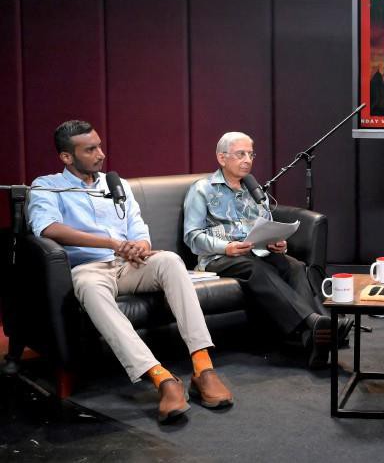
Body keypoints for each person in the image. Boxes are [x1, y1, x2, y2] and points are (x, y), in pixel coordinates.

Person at [27, 120, 233, 422]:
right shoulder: (47, 186)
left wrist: (139, 244)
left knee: (171, 261)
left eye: (99, 145)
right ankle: (162, 378)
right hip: (89, 268)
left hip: (130, 264)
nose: (101, 154)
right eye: (90, 149)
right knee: (89, 289)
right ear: (66, 157)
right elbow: (47, 228)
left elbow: (138, 228)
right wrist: (111, 243)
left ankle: (203, 368)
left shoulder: (116, 184)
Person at [183, 132, 336, 369]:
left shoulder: (255, 191)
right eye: (240, 154)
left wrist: (277, 242)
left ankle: (310, 336)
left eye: (250, 154)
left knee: (294, 265)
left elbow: (266, 225)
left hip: (254, 252)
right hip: (219, 258)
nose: (247, 160)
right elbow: (192, 237)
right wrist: (228, 247)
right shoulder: (202, 189)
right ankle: (316, 321)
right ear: (222, 158)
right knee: (255, 268)